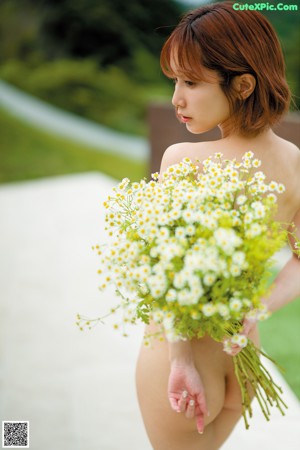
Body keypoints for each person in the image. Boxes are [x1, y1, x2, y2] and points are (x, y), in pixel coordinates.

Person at [135, 2, 300, 449]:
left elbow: (164, 275)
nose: (176, 99)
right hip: (244, 360)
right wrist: (256, 308)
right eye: (174, 81)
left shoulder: (183, 161)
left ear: (243, 84)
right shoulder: (294, 161)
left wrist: (181, 359)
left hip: (187, 366)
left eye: (191, 82)